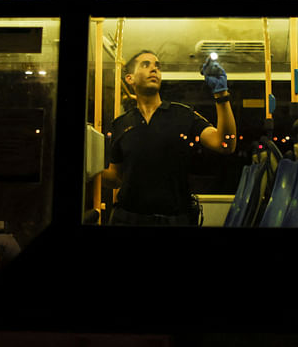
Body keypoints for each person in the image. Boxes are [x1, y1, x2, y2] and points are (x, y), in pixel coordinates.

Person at [101, 50, 237, 225]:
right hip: (128, 219)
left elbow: (226, 144)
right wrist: (87, 170)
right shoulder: (120, 124)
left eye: (157, 66)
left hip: (174, 220)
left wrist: (222, 95)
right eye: (145, 64)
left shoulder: (182, 115)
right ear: (130, 79)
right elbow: (116, 178)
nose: (154, 69)